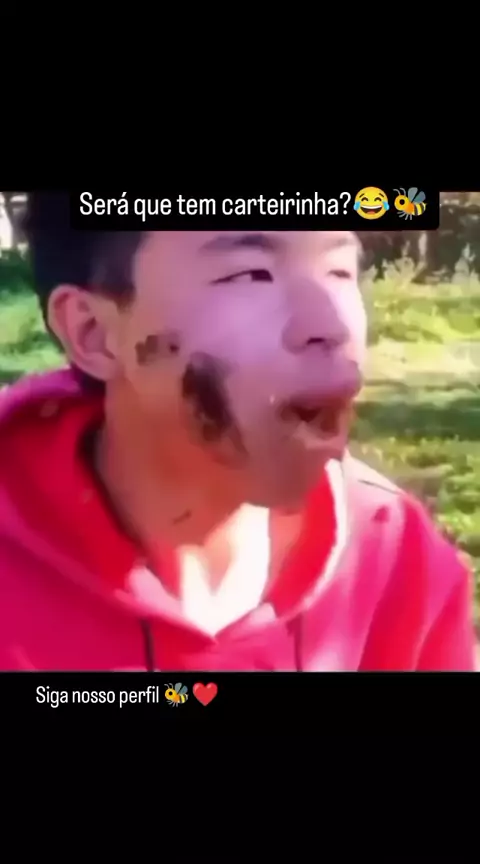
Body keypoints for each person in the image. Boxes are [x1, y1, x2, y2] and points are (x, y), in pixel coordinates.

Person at [0, 193, 475, 671]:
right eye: (250, 275)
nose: (329, 326)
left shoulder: (400, 565)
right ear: (94, 333)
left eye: (339, 271)